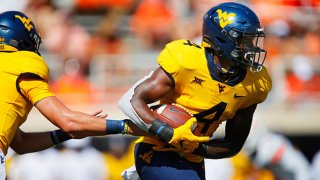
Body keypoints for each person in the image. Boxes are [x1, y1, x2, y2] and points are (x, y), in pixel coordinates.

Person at [118, 2, 272, 180]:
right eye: (245, 41)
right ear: (222, 39)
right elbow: (130, 100)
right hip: (157, 148)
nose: (252, 48)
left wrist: (195, 147)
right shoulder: (188, 60)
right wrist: (168, 132)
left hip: (193, 159)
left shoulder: (254, 84)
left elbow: (233, 144)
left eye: (253, 41)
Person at [0, 10, 135, 179]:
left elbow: (20, 143)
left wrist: (66, 134)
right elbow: (68, 121)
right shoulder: (21, 65)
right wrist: (126, 126)